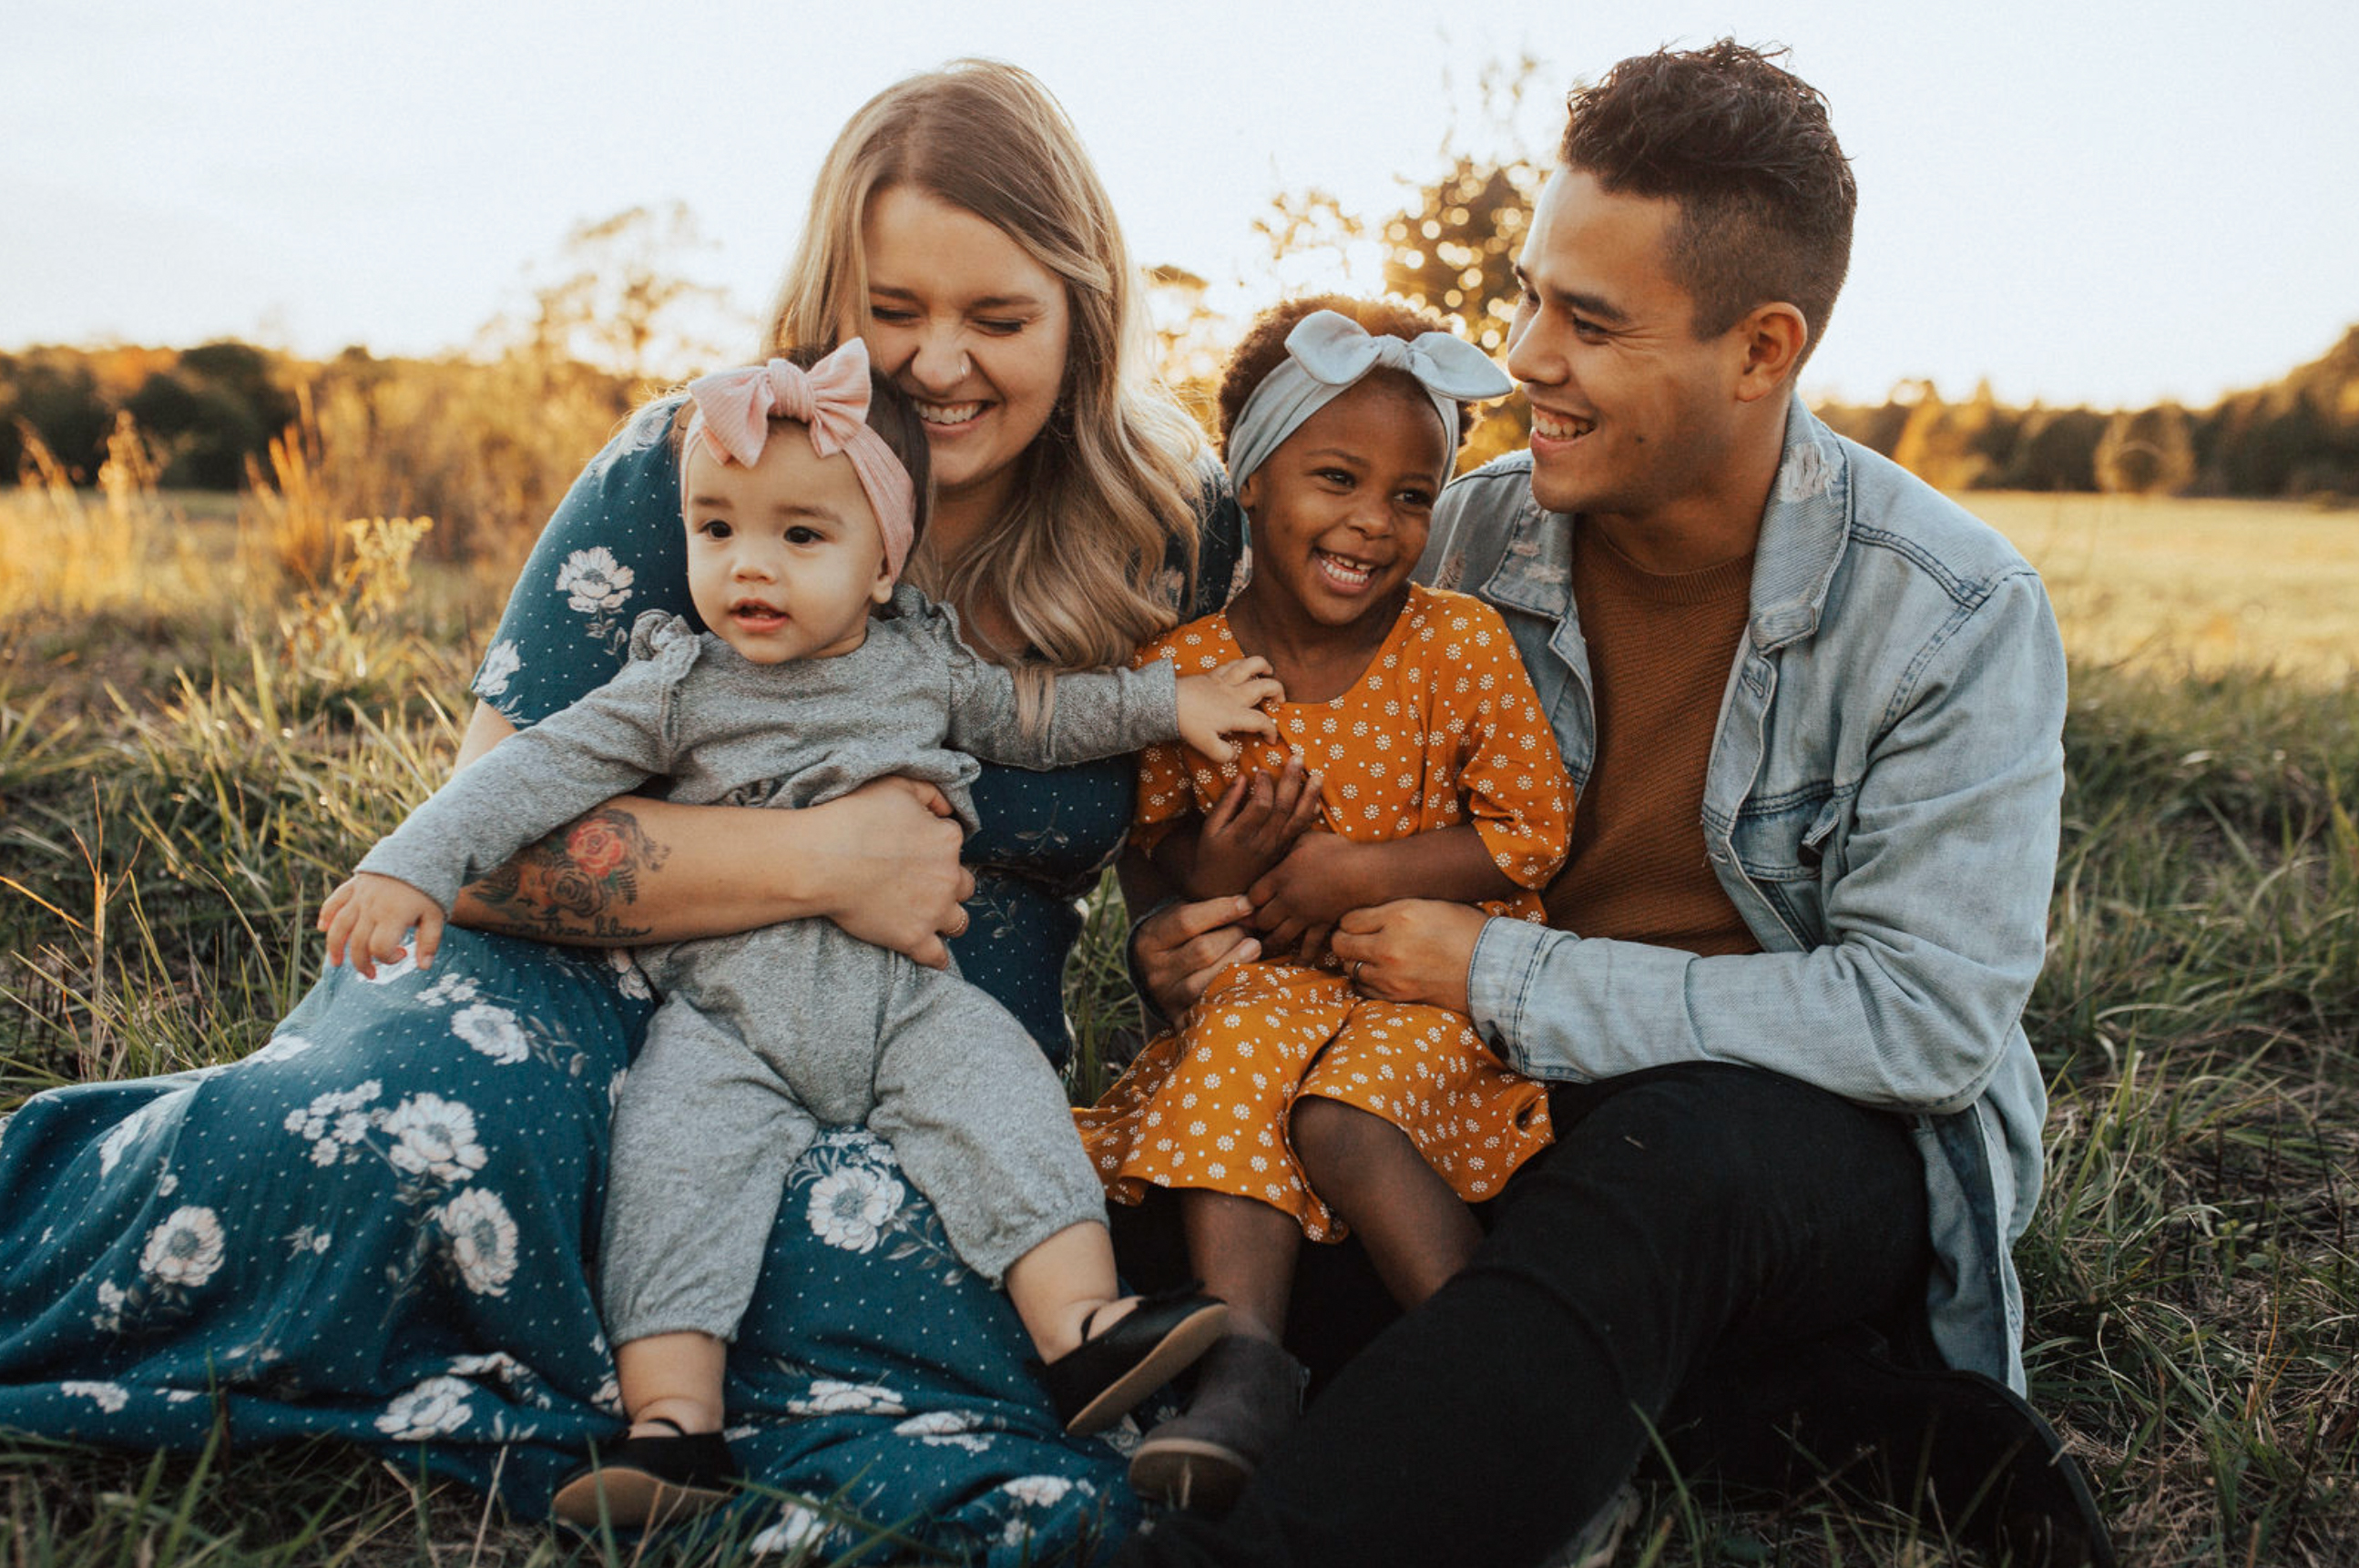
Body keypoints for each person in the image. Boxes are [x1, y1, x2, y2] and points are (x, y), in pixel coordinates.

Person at [0, 60, 1246, 1564]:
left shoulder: (1165, 520)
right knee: (408, 1129)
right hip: (587, 978)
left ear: (1083, 310)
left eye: (997, 318)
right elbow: (492, 829)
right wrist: (820, 858)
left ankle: (666, 1424)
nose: (936, 364)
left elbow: (1189, 816)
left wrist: (1207, 910)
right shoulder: (699, 460)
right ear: (828, 294)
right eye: (894, 309)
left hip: (917, 1028)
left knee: (877, 1265)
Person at [1118, 42, 2113, 1568]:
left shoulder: (1948, 610)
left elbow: (1922, 1023)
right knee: (1204, 1193)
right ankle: (1789, 1420)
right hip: (1477, 1083)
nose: (1521, 355)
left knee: (1649, 1189)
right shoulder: (1448, 538)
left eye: (1587, 320)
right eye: (1528, 295)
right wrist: (1197, 928)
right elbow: (1269, 813)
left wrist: (1502, 972)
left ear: (1759, 349)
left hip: (1780, 1133)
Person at [320, 343, 1277, 1527]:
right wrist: (410, 855)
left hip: (908, 997)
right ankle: (674, 1426)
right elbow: (534, 772)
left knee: (1006, 1100)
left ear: (884, 561)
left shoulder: (927, 662)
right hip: (728, 1015)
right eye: (715, 531)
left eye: (798, 537)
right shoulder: (679, 685)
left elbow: (1044, 714)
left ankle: (1082, 1329)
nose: (747, 566)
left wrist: (1173, 702)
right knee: (672, 1172)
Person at [1074, 300, 1570, 1514]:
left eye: (1411, 494)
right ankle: (1245, 1372)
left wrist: (1350, 870)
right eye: (1336, 478)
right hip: (1270, 991)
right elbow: (1155, 857)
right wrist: (1215, 875)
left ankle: (1502, 1388)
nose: (1373, 521)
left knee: (1343, 1116)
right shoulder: (1183, 671)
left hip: (1427, 985)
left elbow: (1530, 830)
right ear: (1249, 476)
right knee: (1244, 1035)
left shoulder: (1455, 643)